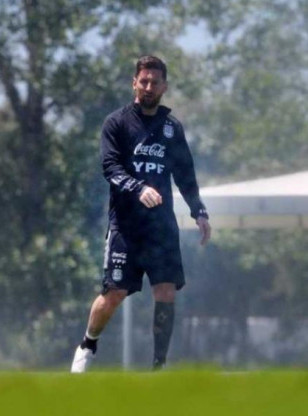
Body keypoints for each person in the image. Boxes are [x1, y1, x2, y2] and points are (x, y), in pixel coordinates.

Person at [71, 55, 211, 372]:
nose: (148, 87)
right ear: (134, 82)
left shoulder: (172, 129)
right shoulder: (116, 123)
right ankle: (87, 345)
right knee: (114, 293)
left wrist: (198, 211)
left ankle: (159, 366)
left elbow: (185, 174)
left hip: (161, 228)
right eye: (143, 81)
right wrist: (138, 188)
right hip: (125, 227)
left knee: (165, 291)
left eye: (155, 82)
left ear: (164, 86)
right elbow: (110, 167)